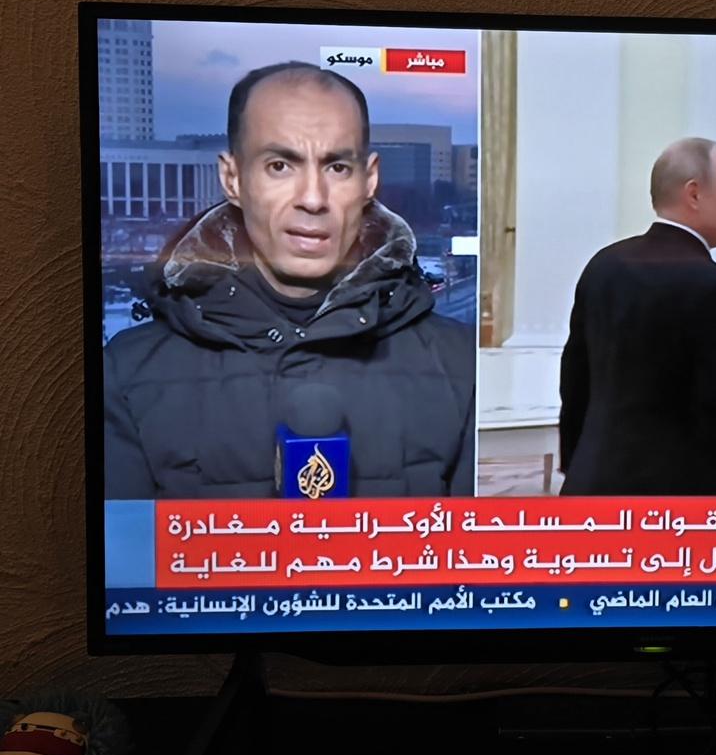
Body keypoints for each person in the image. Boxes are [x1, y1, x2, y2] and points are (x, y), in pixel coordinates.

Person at [103, 62, 475, 499]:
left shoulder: (462, 366)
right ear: (232, 179)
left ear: (369, 179)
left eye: (338, 167)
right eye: (280, 166)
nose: (313, 199)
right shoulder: (127, 374)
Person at [559, 137, 716, 495]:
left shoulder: (603, 265)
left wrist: (575, 464)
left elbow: (574, 380)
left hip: (590, 483)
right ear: (694, 194)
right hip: (674, 501)